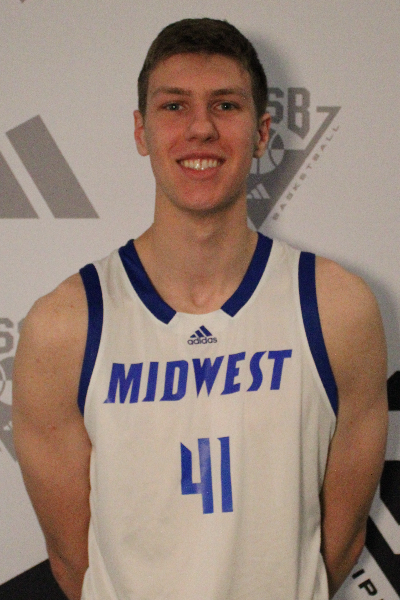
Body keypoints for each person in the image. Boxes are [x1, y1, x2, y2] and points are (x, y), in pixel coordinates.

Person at [12, 17, 387, 600]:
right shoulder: (65, 328)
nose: (201, 128)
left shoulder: (337, 309)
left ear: (262, 132)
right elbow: (71, 560)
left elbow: (340, 542)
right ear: (141, 131)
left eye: (226, 105)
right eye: (173, 106)